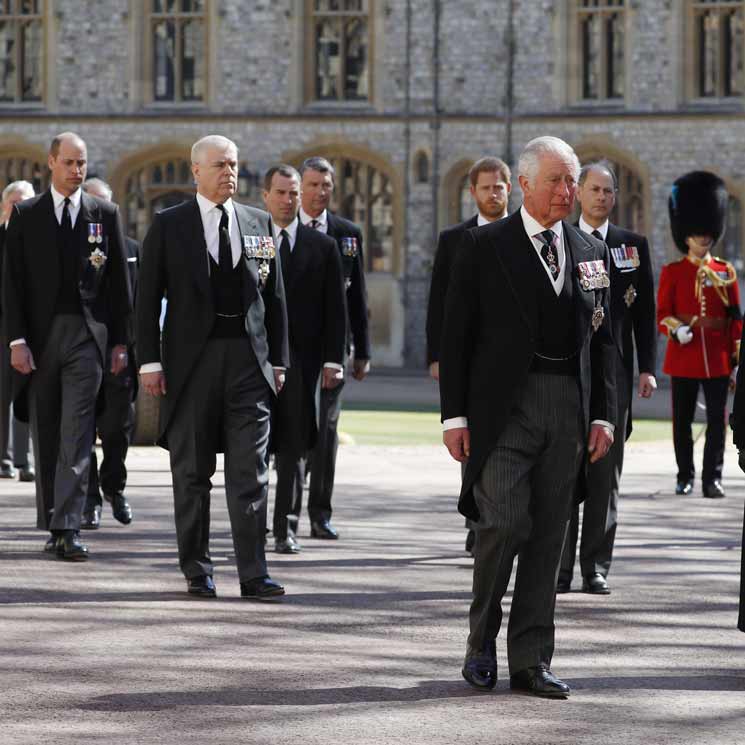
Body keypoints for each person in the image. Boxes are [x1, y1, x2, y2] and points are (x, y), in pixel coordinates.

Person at [440, 136, 615, 698]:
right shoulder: (483, 246)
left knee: (549, 537)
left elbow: (605, 341)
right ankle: (480, 643)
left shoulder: (591, 251)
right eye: (557, 181)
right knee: (505, 523)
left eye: (572, 181)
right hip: (504, 409)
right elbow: (457, 336)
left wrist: (604, 415)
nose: (568, 192)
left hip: (568, 405)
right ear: (524, 185)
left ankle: (532, 660)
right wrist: (454, 418)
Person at [136, 135, 289, 599]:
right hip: (191, 365)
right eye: (220, 165)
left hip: (248, 361)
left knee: (251, 470)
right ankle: (197, 569)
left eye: (234, 165)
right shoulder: (169, 224)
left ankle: (253, 572)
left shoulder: (258, 221)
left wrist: (278, 361)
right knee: (192, 471)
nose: (229, 173)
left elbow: (274, 297)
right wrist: (149, 361)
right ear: (195, 171)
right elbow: (146, 300)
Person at [3, 132, 132, 560]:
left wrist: (119, 342)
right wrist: (17, 341)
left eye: (83, 163)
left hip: (86, 336)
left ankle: (69, 525)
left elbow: (119, 285)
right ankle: (52, 519)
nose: (78, 170)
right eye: (70, 163)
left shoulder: (105, 213)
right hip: (39, 340)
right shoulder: (26, 214)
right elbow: (13, 285)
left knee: (77, 433)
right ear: (51, 163)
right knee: (47, 430)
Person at [558, 161, 657, 595]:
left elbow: (645, 315)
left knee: (604, 474)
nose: (601, 197)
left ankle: (595, 565)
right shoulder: (561, 239)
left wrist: (647, 368)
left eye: (608, 191)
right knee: (562, 474)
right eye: (594, 189)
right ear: (579, 193)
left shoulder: (631, 247)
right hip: (569, 372)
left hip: (613, 377)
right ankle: (558, 568)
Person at [426, 156, 512, 556]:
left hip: (513, 357)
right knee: (472, 444)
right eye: (486, 187)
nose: (493, 193)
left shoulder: (524, 235)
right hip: (471, 359)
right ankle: (477, 521)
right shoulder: (454, 240)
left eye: (499, 186)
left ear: (509, 188)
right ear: (472, 192)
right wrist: (437, 355)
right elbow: (439, 302)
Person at [262, 164, 346, 554]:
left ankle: (286, 527)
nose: (287, 200)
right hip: (258, 362)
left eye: (293, 193)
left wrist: (334, 360)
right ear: (266, 196)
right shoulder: (253, 240)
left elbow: (336, 309)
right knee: (256, 448)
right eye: (280, 193)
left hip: (303, 362)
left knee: (294, 447)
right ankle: (254, 523)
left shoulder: (323, 247)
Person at [297, 156, 371, 540]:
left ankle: (319, 514)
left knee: (327, 433)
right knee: (293, 432)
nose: (319, 192)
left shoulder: (347, 234)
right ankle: (286, 516)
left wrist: (362, 352)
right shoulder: (281, 229)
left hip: (333, 349)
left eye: (326, 185)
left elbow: (357, 296)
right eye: (312, 185)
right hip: (292, 349)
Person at [657, 171, 741, 499]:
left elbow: (735, 318)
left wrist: (734, 359)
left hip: (718, 358)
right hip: (684, 356)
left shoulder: (725, 271)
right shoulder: (673, 272)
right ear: (685, 235)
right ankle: (684, 475)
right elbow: (662, 314)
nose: (702, 238)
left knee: (718, 425)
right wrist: (677, 329)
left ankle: (713, 479)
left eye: (707, 232)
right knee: (682, 422)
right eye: (696, 233)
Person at [79, 177, 139, 530]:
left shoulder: (131, 248)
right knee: (83, 428)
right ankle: (89, 499)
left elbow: (139, 302)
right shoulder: (75, 249)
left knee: (117, 428)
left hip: (120, 353)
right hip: (86, 350)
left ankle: (114, 488)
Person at [0, 180, 35, 482]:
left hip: (36, 331)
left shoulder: (44, 240)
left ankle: (28, 461)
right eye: (15, 203)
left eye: (26, 203)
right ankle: (4, 457)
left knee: (32, 397)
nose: (20, 208)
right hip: (2, 331)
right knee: (3, 396)